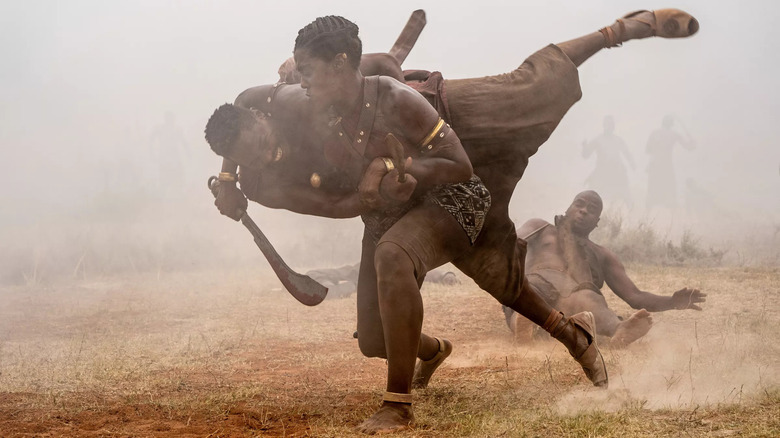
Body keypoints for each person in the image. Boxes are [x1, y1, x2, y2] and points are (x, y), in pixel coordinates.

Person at [205, 9, 699, 434]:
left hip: (448, 159)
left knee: (526, 91)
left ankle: (619, 29)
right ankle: (508, 341)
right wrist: (231, 176)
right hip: (392, 202)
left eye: (311, 72)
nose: (304, 84)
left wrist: (405, 169)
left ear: (337, 66)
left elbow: (451, 160)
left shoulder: (370, 96)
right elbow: (327, 192)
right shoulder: (292, 130)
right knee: (408, 321)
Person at [504, 190, 707, 346]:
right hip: (536, 283)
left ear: (597, 222)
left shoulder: (602, 254)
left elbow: (635, 296)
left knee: (591, 298)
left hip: (574, 301)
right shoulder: (541, 227)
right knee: (526, 296)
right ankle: (522, 325)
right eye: (579, 204)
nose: (583, 210)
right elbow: (510, 243)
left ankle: (620, 329)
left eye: (591, 210)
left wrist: (671, 302)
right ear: (568, 208)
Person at [645, 114, 697, 212]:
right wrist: (693, 142)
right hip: (666, 166)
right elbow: (689, 147)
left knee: (652, 189)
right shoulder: (674, 134)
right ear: (671, 124)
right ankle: (673, 212)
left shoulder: (654, 133)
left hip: (654, 165)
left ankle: (647, 213)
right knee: (670, 189)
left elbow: (648, 150)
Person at [582, 115, 635, 207]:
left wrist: (632, 163)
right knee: (593, 194)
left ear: (613, 127)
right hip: (602, 171)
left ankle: (631, 211)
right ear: (604, 126)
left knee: (625, 194)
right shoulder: (598, 140)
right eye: (607, 125)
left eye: (611, 125)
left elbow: (627, 153)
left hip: (617, 171)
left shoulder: (618, 140)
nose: (609, 127)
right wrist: (584, 147)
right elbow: (586, 155)